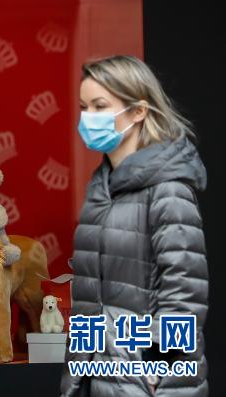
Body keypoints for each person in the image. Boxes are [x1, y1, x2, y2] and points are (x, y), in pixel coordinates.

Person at [61, 55, 208, 396]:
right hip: (98, 372)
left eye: (100, 106)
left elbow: (185, 289)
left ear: (139, 110)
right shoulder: (101, 188)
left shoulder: (168, 189)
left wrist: (158, 362)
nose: (89, 117)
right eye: (84, 107)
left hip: (148, 380)